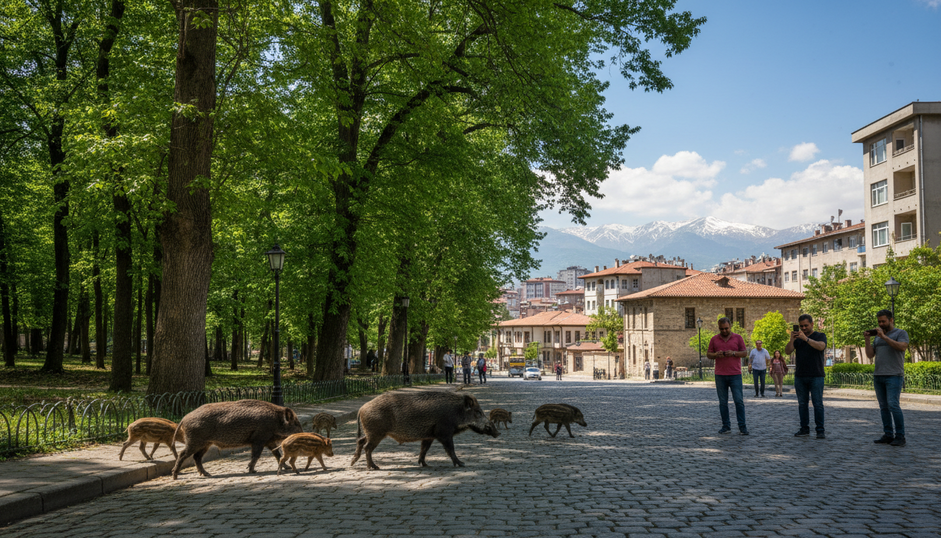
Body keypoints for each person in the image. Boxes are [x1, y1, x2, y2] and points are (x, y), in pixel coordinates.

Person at [865, 309, 909, 447]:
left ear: (891, 320)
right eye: (879, 321)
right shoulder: (878, 336)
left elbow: (902, 347)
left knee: (893, 405)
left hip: (894, 375)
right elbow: (870, 355)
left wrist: (884, 337)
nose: (881, 324)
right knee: (883, 407)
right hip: (878, 375)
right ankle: (888, 434)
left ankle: (900, 436)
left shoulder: (900, 333)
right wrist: (867, 340)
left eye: (883, 321)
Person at [785, 314, 828, 439]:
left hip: (816, 375)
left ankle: (820, 430)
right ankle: (804, 429)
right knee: (802, 404)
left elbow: (821, 346)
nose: (803, 328)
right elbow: (788, 351)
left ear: (812, 324)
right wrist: (792, 339)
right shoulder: (797, 338)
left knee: (818, 404)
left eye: (806, 325)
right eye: (801, 326)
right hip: (800, 375)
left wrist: (806, 339)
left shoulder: (820, 335)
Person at [706, 317, 748, 435]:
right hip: (720, 375)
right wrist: (716, 354)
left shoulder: (738, 338)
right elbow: (708, 354)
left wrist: (733, 353)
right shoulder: (714, 339)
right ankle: (726, 426)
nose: (724, 331)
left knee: (739, 401)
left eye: (726, 328)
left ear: (730, 326)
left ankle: (742, 426)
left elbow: (744, 353)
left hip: (735, 374)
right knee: (723, 402)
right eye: (721, 329)